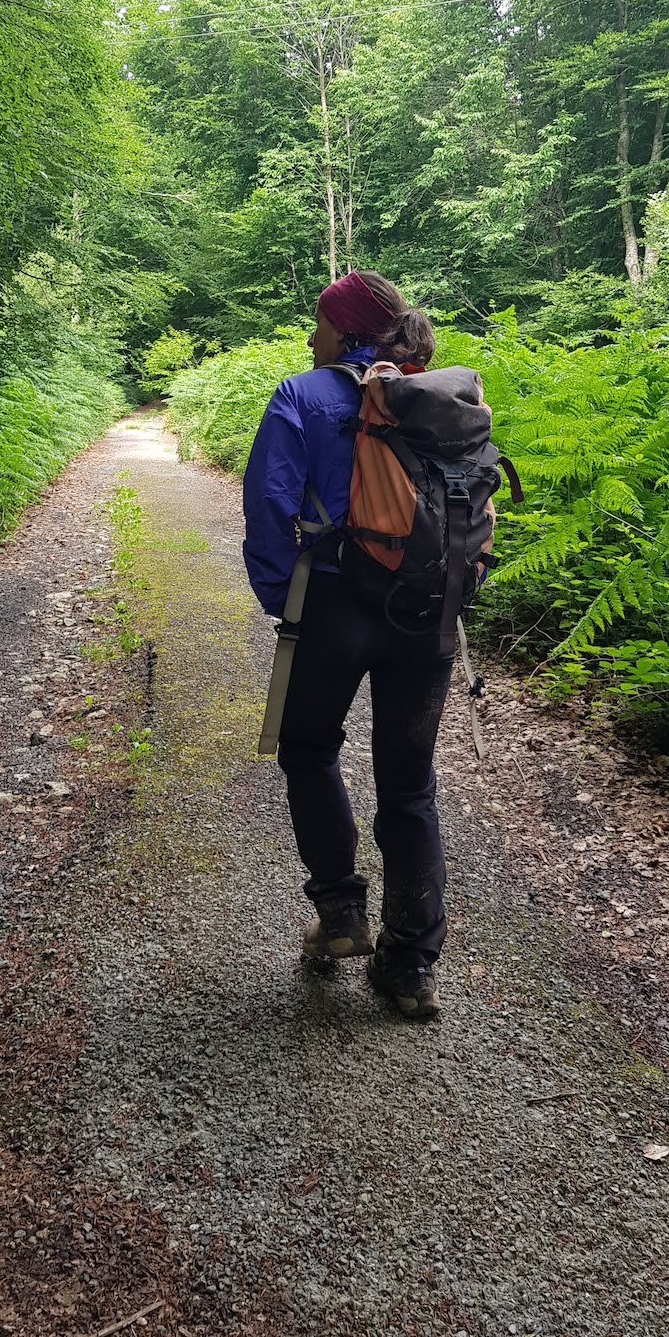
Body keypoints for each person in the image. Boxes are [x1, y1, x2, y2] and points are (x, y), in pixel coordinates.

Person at [242, 269, 456, 1019]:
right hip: (426, 612)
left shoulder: (302, 395)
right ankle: (410, 967)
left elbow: (271, 505)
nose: (311, 335)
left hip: (332, 603)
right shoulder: (435, 395)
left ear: (345, 332)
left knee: (307, 750)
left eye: (319, 323)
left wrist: (283, 599)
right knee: (410, 787)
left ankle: (341, 915)